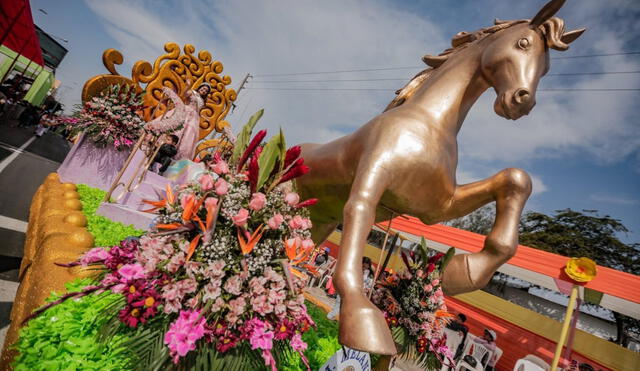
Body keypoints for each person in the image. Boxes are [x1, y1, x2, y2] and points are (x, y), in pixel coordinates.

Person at [145, 82, 211, 161]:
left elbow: (198, 110)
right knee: (176, 128)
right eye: (203, 88)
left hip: (193, 118)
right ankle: (158, 145)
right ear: (200, 87)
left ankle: (173, 154)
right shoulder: (192, 92)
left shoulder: (203, 101)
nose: (204, 91)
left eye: (206, 91)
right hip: (184, 111)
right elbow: (185, 95)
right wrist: (188, 86)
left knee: (187, 135)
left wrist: (204, 117)